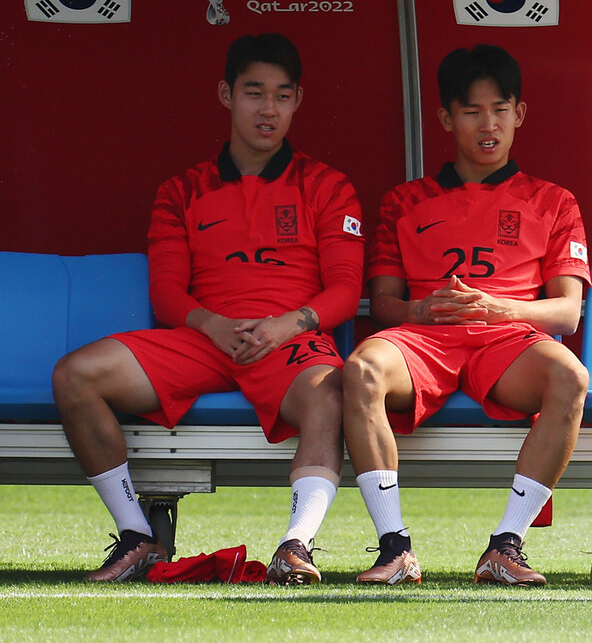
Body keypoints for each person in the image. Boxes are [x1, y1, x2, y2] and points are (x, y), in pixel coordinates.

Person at [51, 33, 364, 584]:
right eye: (253, 93)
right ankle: (137, 536)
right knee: (77, 375)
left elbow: (343, 289)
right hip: (205, 340)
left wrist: (286, 324)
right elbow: (167, 292)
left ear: (297, 102)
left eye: (282, 95)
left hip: (286, 341)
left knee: (330, 392)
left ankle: (296, 546)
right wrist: (212, 325)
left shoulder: (328, 186)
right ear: (226, 94)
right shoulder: (182, 190)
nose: (268, 109)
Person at [341, 44, 592, 587]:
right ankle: (395, 548)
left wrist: (499, 307)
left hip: (509, 339)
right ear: (446, 118)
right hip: (425, 338)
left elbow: (567, 312)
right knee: (360, 368)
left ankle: (506, 545)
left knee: (570, 375)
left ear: (519, 114)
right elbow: (383, 304)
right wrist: (418, 308)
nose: (488, 124)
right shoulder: (403, 202)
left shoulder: (555, 201)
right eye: (472, 111)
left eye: (500, 109)